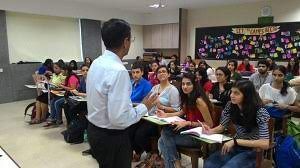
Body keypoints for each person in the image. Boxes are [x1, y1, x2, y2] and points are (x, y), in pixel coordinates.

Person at [86, 18, 157, 168]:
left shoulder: (97, 62)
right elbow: (119, 119)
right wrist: (144, 106)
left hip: (94, 130)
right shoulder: (118, 71)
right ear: (125, 42)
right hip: (111, 137)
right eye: (131, 39)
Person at [204, 80, 270, 168]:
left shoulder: (260, 111)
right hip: (236, 146)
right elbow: (222, 126)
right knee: (209, 164)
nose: (231, 95)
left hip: (253, 151)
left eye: (236, 93)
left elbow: (264, 144)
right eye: (231, 92)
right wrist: (210, 131)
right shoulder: (230, 105)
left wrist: (235, 141)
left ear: (246, 96)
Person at [158, 72, 214, 168]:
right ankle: (176, 164)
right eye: (183, 84)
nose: (185, 86)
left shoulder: (199, 101)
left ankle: (176, 165)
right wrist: (165, 114)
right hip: (189, 131)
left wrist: (188, 122)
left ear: (194, 85)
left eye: (188, 84)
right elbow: (180, 113)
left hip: (199, 136)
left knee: (162, 141)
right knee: (165, 133)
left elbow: (210, 124)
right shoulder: (187, 97)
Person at [131, 65, 180, 164]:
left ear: (168, 74)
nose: (161, 73)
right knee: (130, 129)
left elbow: (177, 109)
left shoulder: (172, 90)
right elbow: (148, 102)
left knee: (140, 134)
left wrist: (162, 106)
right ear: (156, 75)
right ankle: (143, 151)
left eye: (164, 71)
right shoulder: (154, 88)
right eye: (159, 72)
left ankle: (153, 153)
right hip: (150, 117)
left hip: (162, 120)